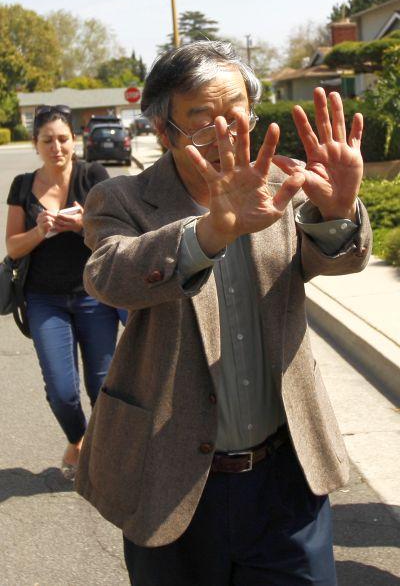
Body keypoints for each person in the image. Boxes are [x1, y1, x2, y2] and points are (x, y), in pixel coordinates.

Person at [75, 41, 372, 586]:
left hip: (285, 477)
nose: (229, 133)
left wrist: (337, 213)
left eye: (238, 112)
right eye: (204, 120)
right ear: (165, 132)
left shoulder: (285, 186)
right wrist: (210, 231)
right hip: (167, 478)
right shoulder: (123, 198)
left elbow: (335, 260)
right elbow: (108, 276)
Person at [6, 105, 120, 480]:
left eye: (63, 139)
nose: (56, 147)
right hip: (43, 299)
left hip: (94, 295)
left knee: (103, 384)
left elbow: (116, 234)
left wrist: (82, 223)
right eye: (47, 140)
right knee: (61, 390)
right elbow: (13, 248)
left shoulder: (93, 176)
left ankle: (97, 451)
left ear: (74, 140)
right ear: (36, 144)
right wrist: (40, 231)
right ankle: (79, 438)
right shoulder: (22, 185)